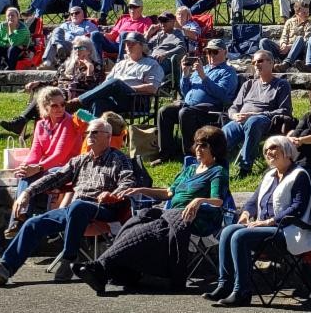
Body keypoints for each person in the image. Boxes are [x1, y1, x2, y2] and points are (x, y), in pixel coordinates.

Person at [0, 118, 135, 285]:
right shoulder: (80, 161)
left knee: (78, 206)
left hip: (104, 207)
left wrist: (112, 194)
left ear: (107, 137)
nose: (89, 135)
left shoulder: (118, 159)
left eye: (94, 132)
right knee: (33, 223)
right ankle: (5, 268)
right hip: (76, 209)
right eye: (87, 132)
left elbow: (128, 182)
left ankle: (69, 258)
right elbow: (54, 178)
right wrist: (27, 192)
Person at [73, 125, 229, 294]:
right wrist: (141, 190)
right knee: (137, 221)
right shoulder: (190, 169)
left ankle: (100, 268)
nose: (198, 149)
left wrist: (199, 200)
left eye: (204, 145)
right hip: (172, 215)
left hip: (197, 219)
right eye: (197, 144)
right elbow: (169, 193)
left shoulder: (217, 172)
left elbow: (219, 201)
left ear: (215, 148)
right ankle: (110, 270)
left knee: (151, 230)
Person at [202, 136, 311, 307]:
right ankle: (225, 285)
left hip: (287, 231)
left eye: (273, 148)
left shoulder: (300, 175)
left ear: (287, 151)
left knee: (240, 236)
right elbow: (253, 201)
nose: (269, 152)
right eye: (266, 150)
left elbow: (297, 208)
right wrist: (246, 213)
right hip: (265, 228)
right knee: (228, 231)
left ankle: (242, 291)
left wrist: (269, 222)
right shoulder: (269, 175)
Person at [1, 86, 87, 238]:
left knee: (40, 173)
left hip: (67, 169)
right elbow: (35, 151)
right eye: (54, 105)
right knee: (25, 174)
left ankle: (20, 219)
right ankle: (19, 219)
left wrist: (38, 167)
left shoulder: (70, 122)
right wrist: (26, 166)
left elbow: (60, 155)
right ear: (45, 106)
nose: (60, 108)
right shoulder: (41, 125)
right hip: (49, 167)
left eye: (62, 104)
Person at [154, 38, 238, 162]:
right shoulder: (202, 69)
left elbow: (222, 94)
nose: (210, 55)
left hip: (211, 109)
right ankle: (166, 153)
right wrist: (185, 74)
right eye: (208, 52)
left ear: (225, 53)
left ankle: (190, 155)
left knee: (185, 113)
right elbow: (185, 92)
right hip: (189, 105)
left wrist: (203, 76)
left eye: (215, 52)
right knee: (164, 111)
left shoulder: (228, 72)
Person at [224, 50, 292, 177]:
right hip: (240, 121)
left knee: (252, 122)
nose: (256, 64)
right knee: (221, 134)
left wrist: (254, 115)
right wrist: (234, 115)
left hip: (264, 121)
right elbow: (234, 107)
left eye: (260, 61)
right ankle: (213, 166)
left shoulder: (281, 85)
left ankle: (245, 167)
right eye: (254, 62)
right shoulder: (248, 84)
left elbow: (285, 110)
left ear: (271, 63)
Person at [70, 32, 164, 116]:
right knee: (98, 103)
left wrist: (127, 88)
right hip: (116, 100)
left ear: (142, 46)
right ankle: (93, 132)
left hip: (136, 101)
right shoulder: (120, 64)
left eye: (132, 43)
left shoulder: (151, 64)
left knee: (116, 83)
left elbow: (152, 88)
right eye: (127, 43)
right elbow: (106, 84)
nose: (129, 46)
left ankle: (78, 102)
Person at [37, 6, 98, 70]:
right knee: (57, 30)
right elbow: (54, 35)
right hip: (64, 45)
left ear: (83, 15)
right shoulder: (65, 25)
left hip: (79, 47)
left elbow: (94, 39)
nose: (74, 15)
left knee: (55, 40)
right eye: (72, 14)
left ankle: (53, 55)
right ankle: (48, 61)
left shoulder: (88, 25)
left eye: (77, 13)